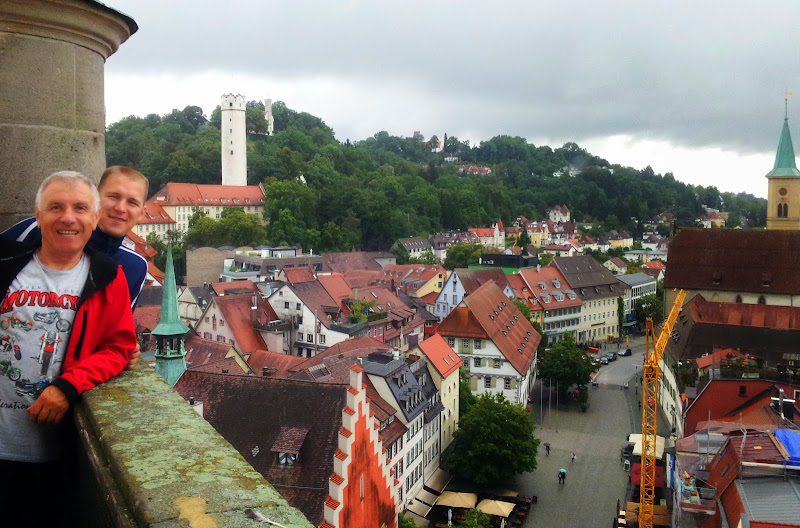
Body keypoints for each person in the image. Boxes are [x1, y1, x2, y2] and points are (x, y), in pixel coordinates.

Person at [0, 172, 137, 522]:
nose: (68, 217)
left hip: (51, 449)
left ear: (94, 217)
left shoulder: (108, 276)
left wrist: (68, 386)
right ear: (38, 214)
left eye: (79, 208)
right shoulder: (5, 264)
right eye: (56, 207)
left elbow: (119, 347)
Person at [3, 166, 148, 368]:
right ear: (96, 199)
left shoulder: (134, 266)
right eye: (113, 197)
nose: (121, 208)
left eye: (132, 202)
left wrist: (125, 348)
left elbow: (114, 333)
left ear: (142, 213)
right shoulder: (36, 229)